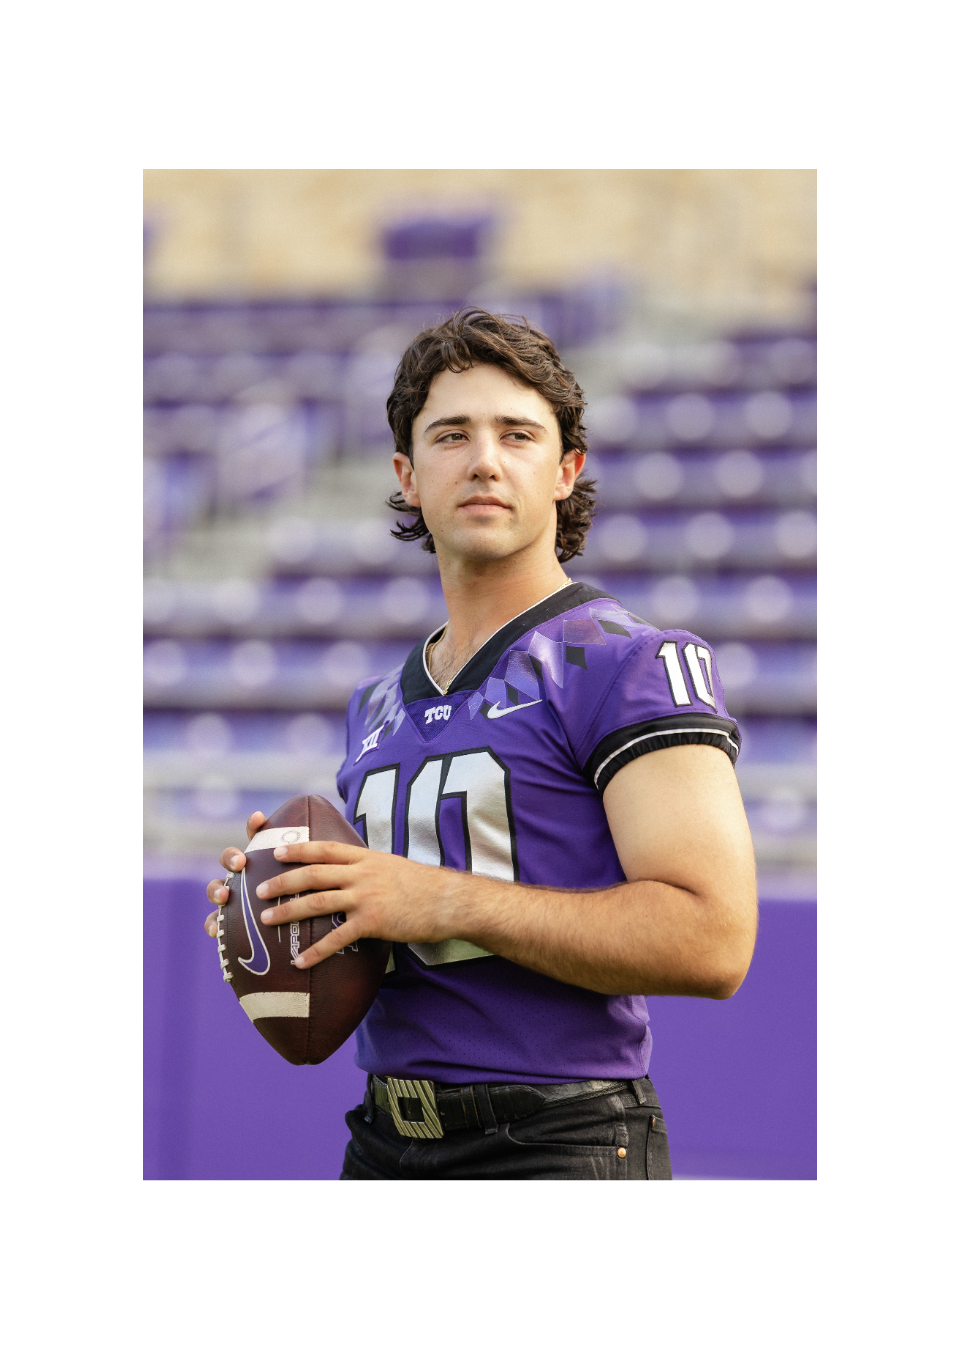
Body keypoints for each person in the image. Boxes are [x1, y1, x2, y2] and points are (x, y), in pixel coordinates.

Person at [204, 308, 757, 1180]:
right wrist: (292, 907)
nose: (485, 460)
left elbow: (712, 939)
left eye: (518, 434)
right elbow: (395, 924)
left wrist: (443, 900)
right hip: (383, 1137)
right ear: (407, 474)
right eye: (452, 434)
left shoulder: (627, 661)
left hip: (558, 1142)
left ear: (566, 470)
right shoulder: (377, 701)